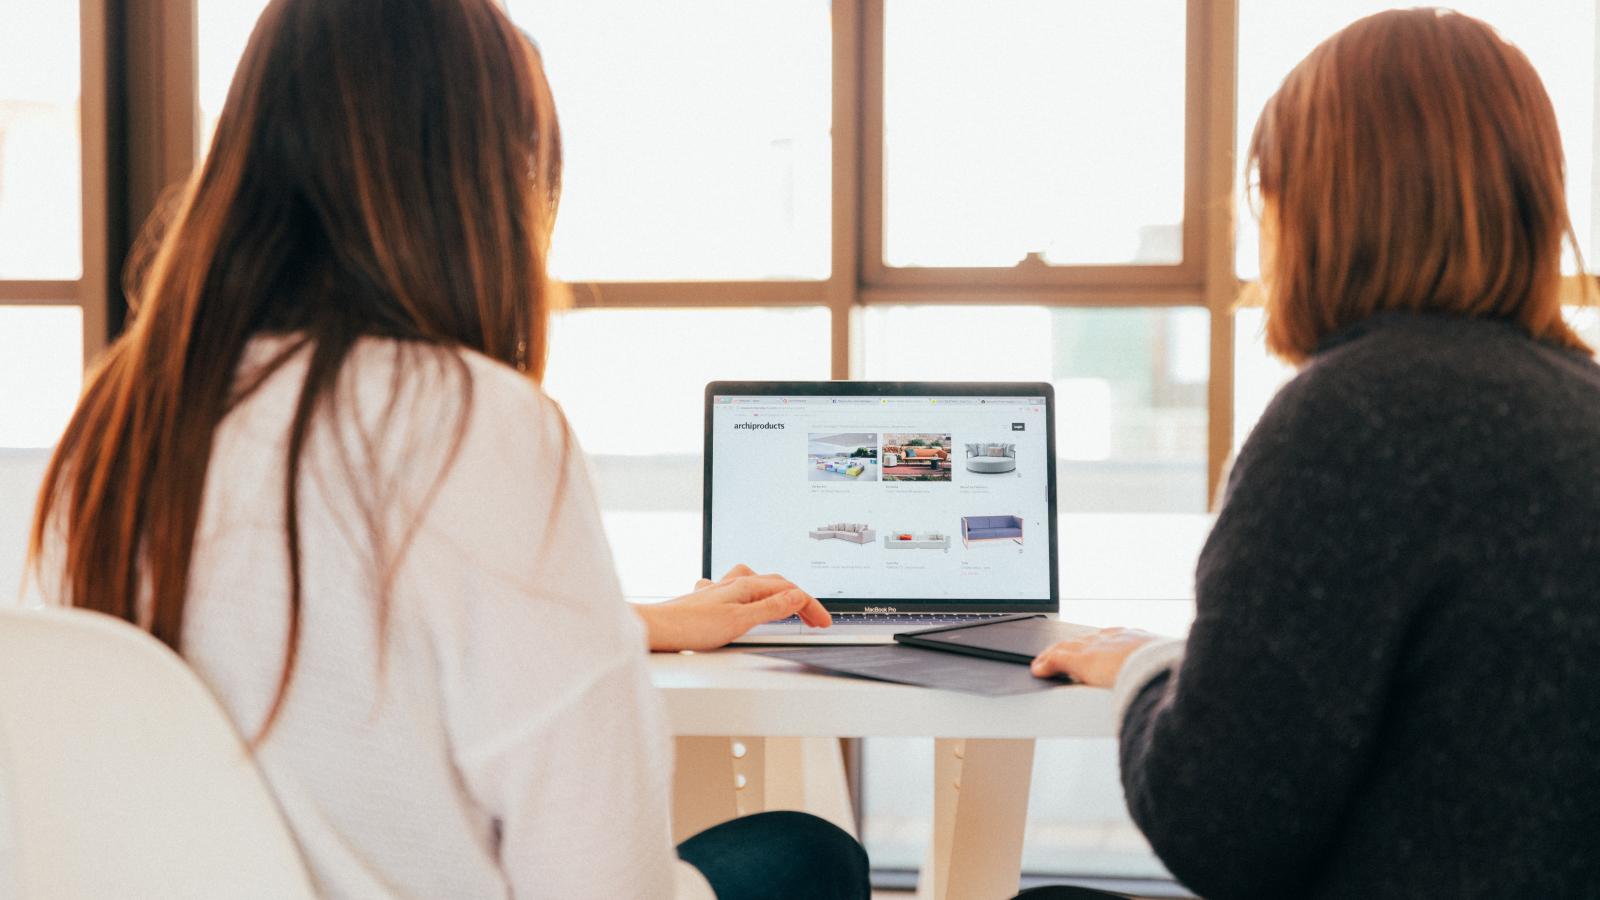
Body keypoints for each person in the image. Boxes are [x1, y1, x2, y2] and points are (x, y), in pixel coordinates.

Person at [27, 1, 866, 897]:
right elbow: (599, 876)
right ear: (481, 182)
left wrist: (639, 623)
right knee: (808, 852)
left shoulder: (117, 421)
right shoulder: (473, 422)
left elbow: (325, 646)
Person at [1027, 9, 1600, 899]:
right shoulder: (1582, 401)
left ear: (1316, 204)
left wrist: (1146, 669)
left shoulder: (1350, 418)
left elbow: (1217, 825)